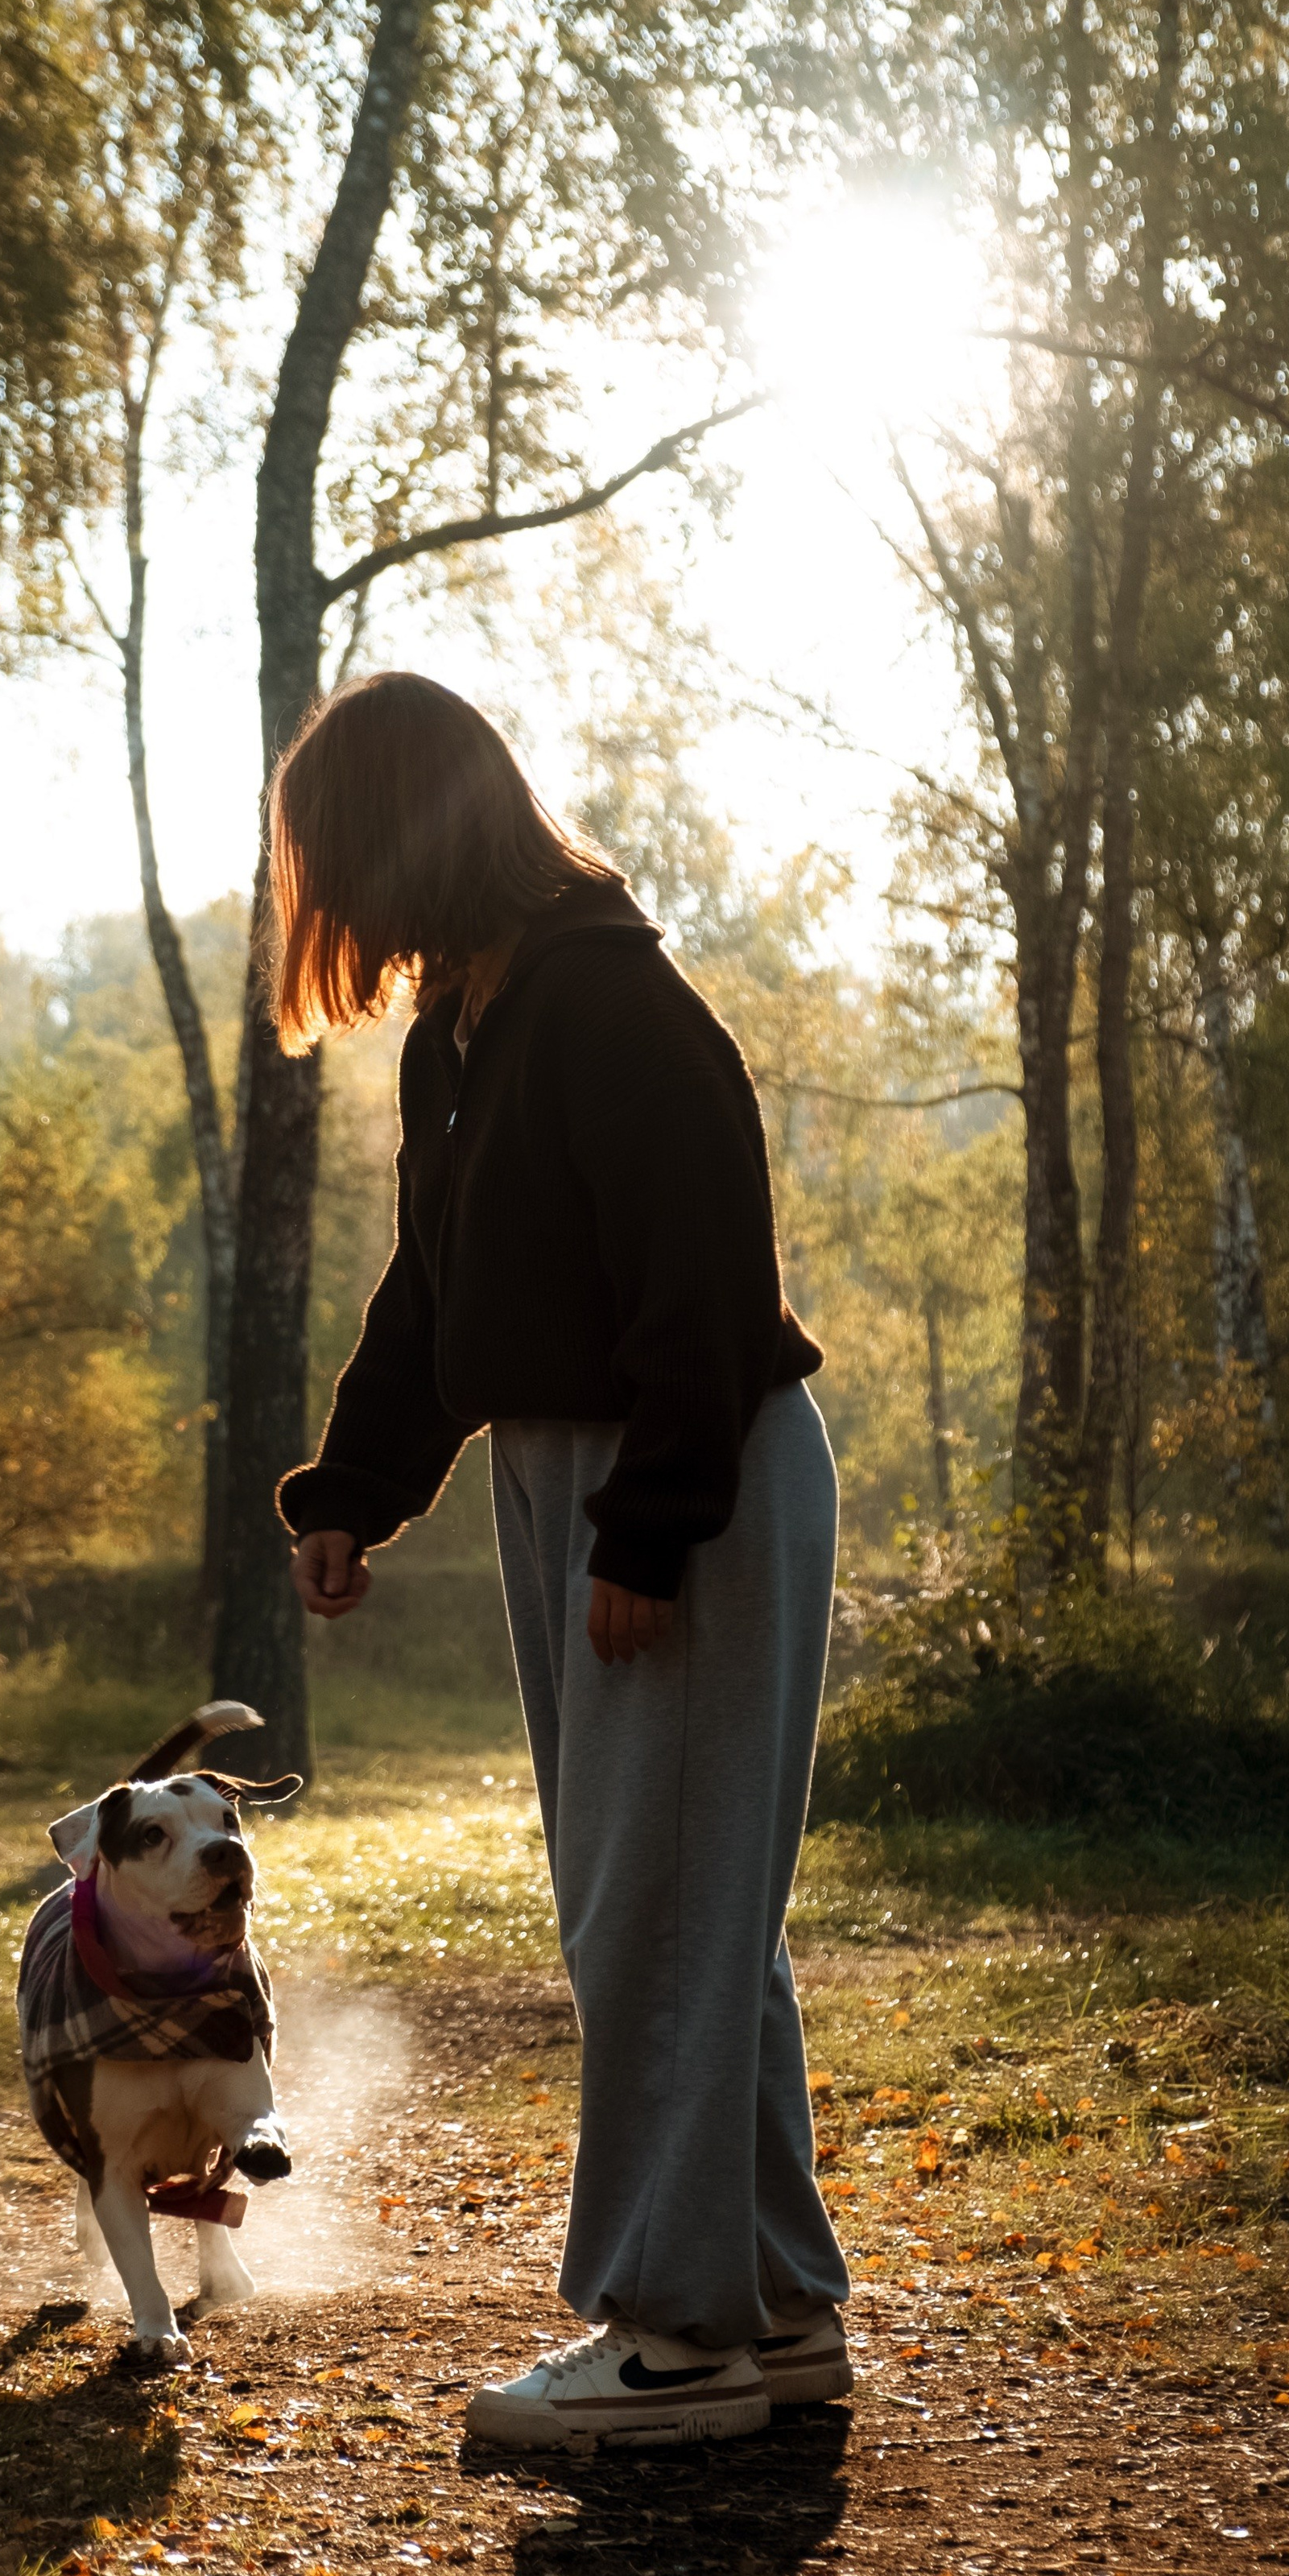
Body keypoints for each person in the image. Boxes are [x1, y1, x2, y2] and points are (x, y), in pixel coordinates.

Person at [274, 669, 851, 2449]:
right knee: (688, 1914)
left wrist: (653, 1527)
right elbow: (437, 1288)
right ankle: (767, 2309)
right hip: (573, 1475)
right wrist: (352, 1487)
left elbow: (702, 1274)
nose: (330, 903)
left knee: (653, 1920)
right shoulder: (466, 1022)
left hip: (682, 1474)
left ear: (402, 836)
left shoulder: (611, 1010)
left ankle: (673, 2345)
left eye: (334, 858)